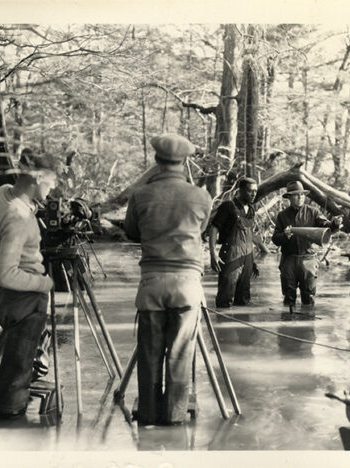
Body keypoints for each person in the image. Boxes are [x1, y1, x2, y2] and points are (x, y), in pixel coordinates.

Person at [124, 133, 212, 426]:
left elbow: (131, 232)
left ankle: (148, 418)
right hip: (187, 285)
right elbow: (201, 228)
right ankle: (174, 420)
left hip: (151, 284)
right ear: (184, 161)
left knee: (149, 356)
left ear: (157, 160)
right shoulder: (200, 196)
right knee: (180, 355)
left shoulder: (140, 195)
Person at [0, 151, 57, 419]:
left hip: (6, 300)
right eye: (50, 182)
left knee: (16, 367)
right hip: (23, 301)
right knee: (15, 383)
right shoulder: (19, 218)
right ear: (37, 178)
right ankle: (11, 429)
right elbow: (5, 274)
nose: (53, 188)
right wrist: (44, 283)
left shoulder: (3, 193)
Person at [272, 181, 342, 307]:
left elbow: (327, 228)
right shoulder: (282, 216)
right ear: (289, 197)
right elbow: (275, 239)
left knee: (308, 298)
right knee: (288, 298)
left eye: (302, 195)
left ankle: (308, 325)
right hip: (288, 260)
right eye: (296, 195)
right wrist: (285, 235)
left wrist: (335, 224)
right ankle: (287, 324)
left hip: (309, 260)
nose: (300, 198)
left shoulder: (313, 212)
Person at [209, 177, 258, 308]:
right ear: (240, 191)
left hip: (247, 256)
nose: (253, 194)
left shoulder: (252, 209)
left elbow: (249, 235)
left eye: (255, 191)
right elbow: (214, 228)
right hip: (231, 254)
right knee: (225, 297)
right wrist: (213, 254)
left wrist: (252, 260)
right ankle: (222, 324)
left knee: (243, 298)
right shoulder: (228, 206)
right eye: (250, 191)